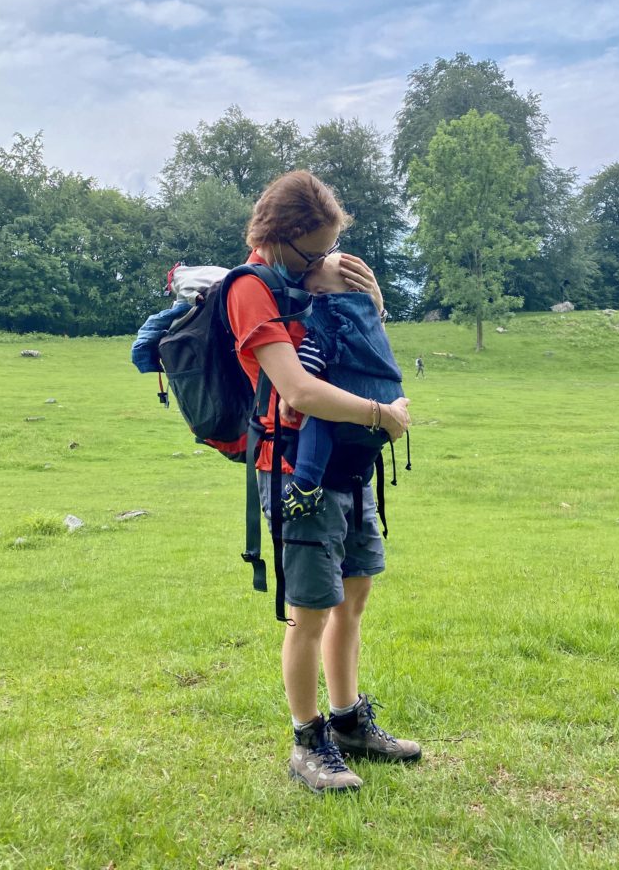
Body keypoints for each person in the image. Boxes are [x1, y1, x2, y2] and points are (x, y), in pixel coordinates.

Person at [225, 170, 420, 793]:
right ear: (282, 237)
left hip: (349, 465)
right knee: (307, 613)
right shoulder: (251, 291)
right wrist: (382, 416)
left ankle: (347, 722)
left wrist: (372, 302)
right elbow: (300, 389)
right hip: (295, 476)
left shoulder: (307, 280)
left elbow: (361, 354)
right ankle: (307, 742)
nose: (323, 262)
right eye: (316, 251)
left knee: (352, 600)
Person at [279, 252, 404, 522]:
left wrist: (290, 395)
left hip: (355, 398)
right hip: (390, 397)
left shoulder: (333, 315)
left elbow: (314, 352)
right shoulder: (371, 318)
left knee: (319, 415)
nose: (314, 300)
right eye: (309, 293)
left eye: (321, 292)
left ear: (352, 290)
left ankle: (305, 485)